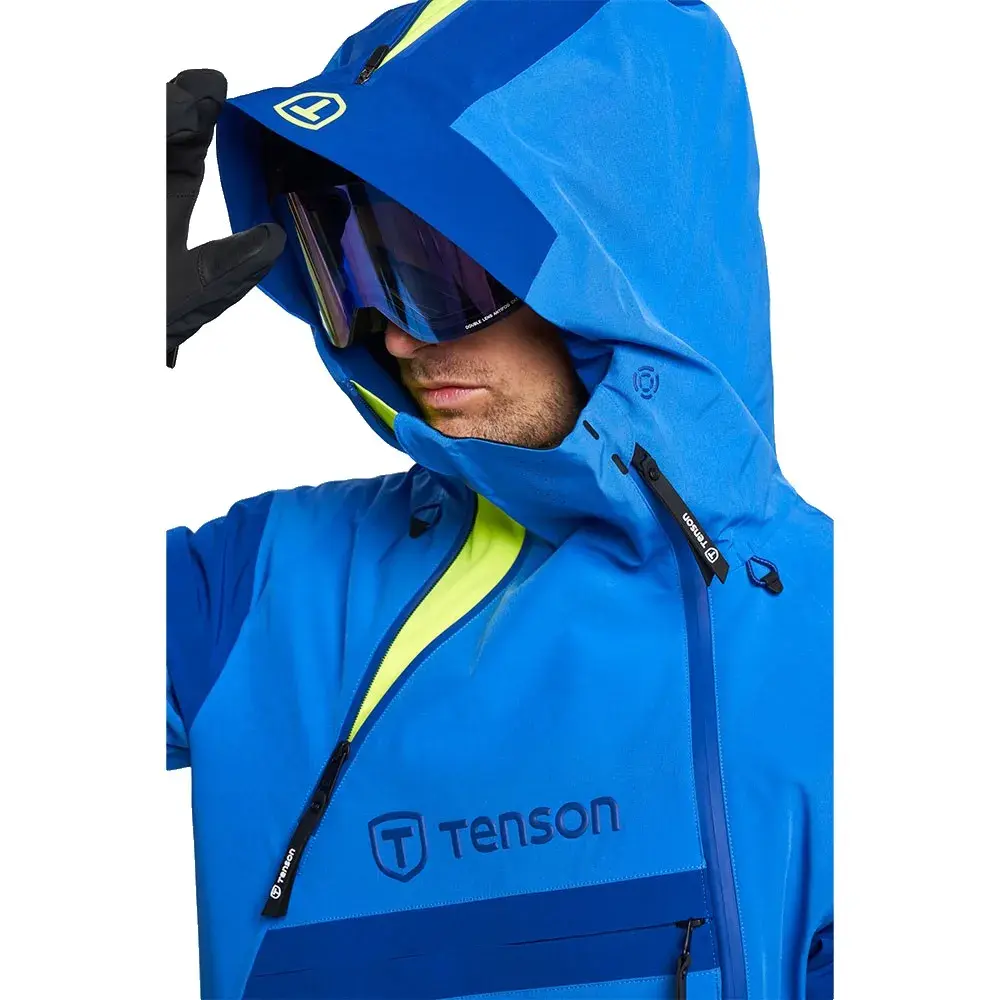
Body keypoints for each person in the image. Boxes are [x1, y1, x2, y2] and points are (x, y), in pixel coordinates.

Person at [166, 3, 833, 999]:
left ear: (619, 256)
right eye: (351, 265)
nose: (395, 338)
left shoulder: (844, 642)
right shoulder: (260, 588)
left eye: (440, 266)